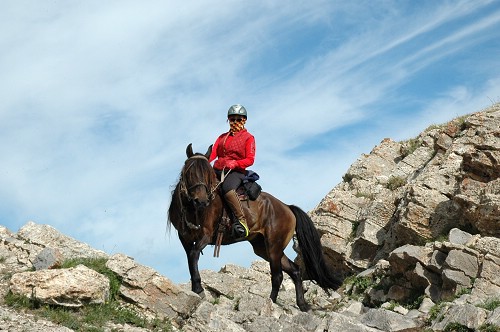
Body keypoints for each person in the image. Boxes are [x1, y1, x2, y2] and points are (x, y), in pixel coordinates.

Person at [209, 104, 255, 238]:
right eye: (232, 119)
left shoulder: (249, 138)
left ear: (244, 120)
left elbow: (250, 159)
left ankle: (242, 221)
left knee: (227, 189)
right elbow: (213, 154)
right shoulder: (222, 137)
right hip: (218, 168)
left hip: (236, 172)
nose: (235, 122)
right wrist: (205, 161)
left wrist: (235, 163)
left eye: (238, 119)